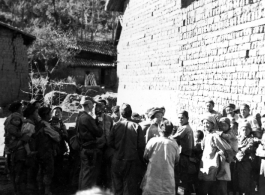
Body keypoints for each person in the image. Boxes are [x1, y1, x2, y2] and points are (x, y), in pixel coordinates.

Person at [109, 103, 146, 195]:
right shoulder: (136, 126)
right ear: (131, 113)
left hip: (117, 160)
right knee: (129, 189)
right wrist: (142, 160)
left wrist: (118, 148)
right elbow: (141, 146)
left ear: (121, 114)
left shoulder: (116, 126)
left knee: (117, 188)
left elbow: (110, 143)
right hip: (130, 161)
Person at [141, 120, 179, 195]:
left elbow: (145, 156)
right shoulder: (174, 144)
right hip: (168, 179)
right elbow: (177, 160)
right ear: (171, 131)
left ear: (159, 130)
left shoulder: (152, 141)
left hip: (153, 178)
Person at [198, 115, 232, 195]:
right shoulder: (207, 135)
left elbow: (227, 147)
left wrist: (222, 153)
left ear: (213, 124)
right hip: (206, 164)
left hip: (212, 165)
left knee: (211, 188)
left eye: (208, 123)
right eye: (204, 123)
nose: (205, 125)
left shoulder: (214, 135)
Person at [78, 97, 103, 190]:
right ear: (88, 105)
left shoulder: (81, 116)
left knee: (84, 173)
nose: (93, 106)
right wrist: (99, 122)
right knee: (88, 175)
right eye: (92, 104)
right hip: (89, 149)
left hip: (84, 148)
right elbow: (99, 133)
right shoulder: (87, 118)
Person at [36, 107, 60, 195]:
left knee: (41, 170)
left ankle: (40, 189)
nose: (51, 115)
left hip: (40, 151)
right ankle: (46, 191)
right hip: (46, 151)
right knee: (48, 171)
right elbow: (56, 137)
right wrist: (57, 130)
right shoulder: (45, 125)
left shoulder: (39, 123)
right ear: (46, 115)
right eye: (50, 113)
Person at [172, 110, 194, 195]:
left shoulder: (184, 128)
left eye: (182, 118)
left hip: (184, 156)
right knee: (184, 179)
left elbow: (174, 138)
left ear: (187, 118)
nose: (180, 120)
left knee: (180, 178)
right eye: (179, 118)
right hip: (186, 156)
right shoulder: (187, 127)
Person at [95, 102, 114, 190]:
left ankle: (106, 186)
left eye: (103, 106)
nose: (101, 108)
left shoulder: (109, 118)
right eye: (99, 106)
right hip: (98, 146)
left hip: (107, 146)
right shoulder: (93, 118)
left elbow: (111, 130)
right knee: (98, 168)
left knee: (107, 168)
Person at [234, 122, 256, 195]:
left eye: (247, 129)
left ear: (250, 130)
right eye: (243, 129)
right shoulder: (237, 138)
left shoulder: (250, 139)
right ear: (240, 130)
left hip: (245, 163)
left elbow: (249, 147)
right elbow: (234, 147)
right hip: (236, 162)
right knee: (236, 180)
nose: (245, 131)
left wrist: (241, 148)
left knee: (245, 180)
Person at [50, 106, 68, 185]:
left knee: (59, 163)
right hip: (50, 147)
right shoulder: (48, 122)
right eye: (55, 111)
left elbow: (65, 135)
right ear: (52, 113)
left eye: (59, 112)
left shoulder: (61, 123)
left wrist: (61, 131)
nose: (57, 113)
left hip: (59, 146)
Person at [256, 115, 265, 195]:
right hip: (262, 159)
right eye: (263, 122)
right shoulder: (263, 133)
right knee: (262, 179)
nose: (264, 124)